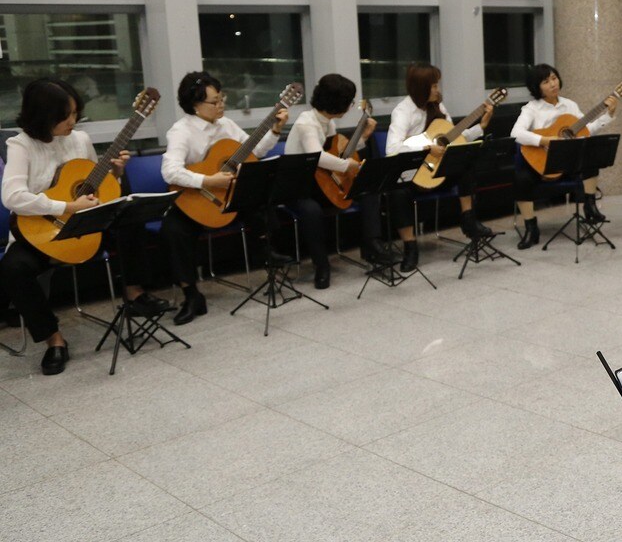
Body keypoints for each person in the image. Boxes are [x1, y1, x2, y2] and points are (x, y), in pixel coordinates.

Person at [0, 79, 167, 374]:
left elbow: (94, 189)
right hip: (40, 234)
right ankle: (54, 339)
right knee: (14, 268)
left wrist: (114, 173)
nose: (72, 122)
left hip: (85, 228)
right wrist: (65, 207)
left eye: (75, 113)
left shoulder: (80, 140)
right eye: (65, 116)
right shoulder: (20, 145)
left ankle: (134, 293)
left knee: (131, 219)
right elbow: (12, 197)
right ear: (42, 116)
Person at [161, 71, 288, 324]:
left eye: (222, 99)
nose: (221, 105)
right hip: (197, 199)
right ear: (195, 105)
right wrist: (208, 180)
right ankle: (191, 295)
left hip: (228, 196)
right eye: (215, 101)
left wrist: (275, 130)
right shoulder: (181, 131)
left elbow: (254, 152)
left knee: (263, 194)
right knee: (173, 230)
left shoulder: (227, 125)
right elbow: (170, 171)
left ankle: (267, 253)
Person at [385, 63, 495, 271]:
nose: (437, 90)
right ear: (421, 87)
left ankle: (468, 220)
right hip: (415, 175)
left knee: (466, 163)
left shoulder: (439, 108)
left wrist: (481, 127)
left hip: (439, 170)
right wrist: (426, 148)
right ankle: (410, 247)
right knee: (397, 193)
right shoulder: (402, 112)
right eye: (434, 86)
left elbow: (454, 138)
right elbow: (392, 149)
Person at [281, 73, 375, 289]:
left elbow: (337, 152)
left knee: (369, 190)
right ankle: (321, 265)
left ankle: (372, 248)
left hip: (321, 183)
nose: (351, 106)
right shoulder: (307, 123)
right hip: (298, 187)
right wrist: (347, 166)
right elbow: (318, 156)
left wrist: (364, 137)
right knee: (311, 210)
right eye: (349, 102)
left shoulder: (328, 123)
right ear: (338, 104)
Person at [510, 63, 616, 250]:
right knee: (521, 179)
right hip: (542, 163)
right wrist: (544, 140)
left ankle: (590, 206)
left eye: (554, 78)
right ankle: (530, 227)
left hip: (568, 162)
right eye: (546, 81)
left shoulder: (570, 105)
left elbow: (586, 130)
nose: (552, 84)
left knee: (591, 157)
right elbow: (516, 133)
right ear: (537, 87)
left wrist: (608, 114)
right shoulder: (531, 109)